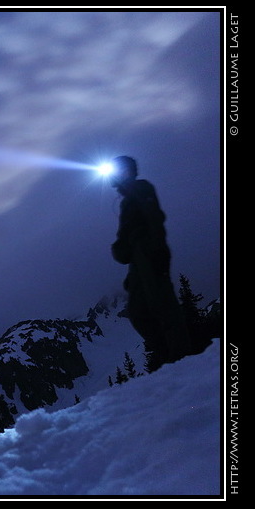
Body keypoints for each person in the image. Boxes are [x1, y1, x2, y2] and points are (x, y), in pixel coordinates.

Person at [109, 155, 190, 372]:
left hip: (148, 252)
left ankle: (181, 360)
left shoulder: (141, 189)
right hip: (138, 258)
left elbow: (154, 218)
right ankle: (168, 359)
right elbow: (124, 240)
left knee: (162, 305)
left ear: (129, 172)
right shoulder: (127, 200)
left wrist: (157, 249)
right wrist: (121, 249)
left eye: (119, 171)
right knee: (138, 311)